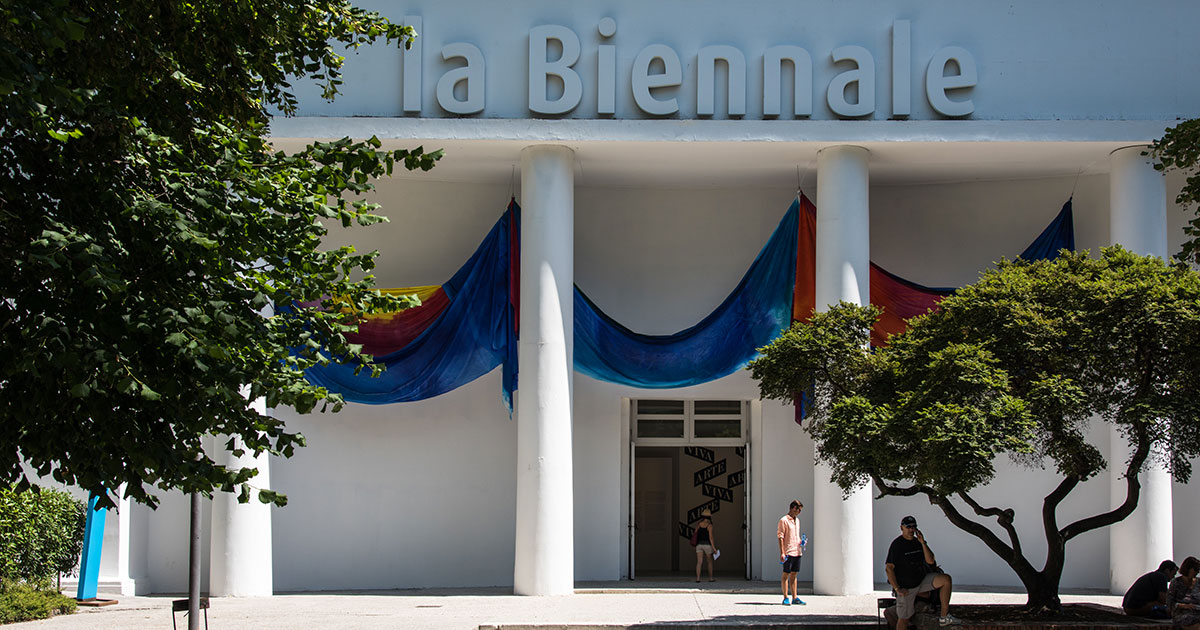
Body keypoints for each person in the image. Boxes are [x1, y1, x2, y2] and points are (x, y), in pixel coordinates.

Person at [885, 515, 957, 628]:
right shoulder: (897, 544)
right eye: (908, 527)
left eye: (913, 527)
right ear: (901, 528)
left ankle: (944, 616)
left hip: (921, 580)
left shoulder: (917, 542)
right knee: (903, 618)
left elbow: (930, 560)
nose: (911, 529)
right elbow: (889, 568)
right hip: (907, 587)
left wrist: (923, 543)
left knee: (945, 579)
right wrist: (897, 588)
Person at [777, 500, 806, 606]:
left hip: (797, 551)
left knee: (794, 574)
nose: (799, 512)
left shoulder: (797, 521)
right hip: (788, 551)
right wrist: (782, 552)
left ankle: (795, 597)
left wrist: (801, 542)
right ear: (794, 508)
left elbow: (796, 535)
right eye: (799, 510)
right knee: (786, 574)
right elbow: (780, 537)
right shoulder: (783, 520)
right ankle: (785, 597)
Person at [1168, 556, 1200, 630]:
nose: (1197, 572)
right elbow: (1169, 602)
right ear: (1188, 569)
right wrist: (1184, 606)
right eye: (1195, 569)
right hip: (1183, 613)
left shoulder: (1198, 582)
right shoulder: (1176, 583)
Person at [694, 509, 718, 582]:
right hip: (707, 545)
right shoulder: (709, 525)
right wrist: (714, 548)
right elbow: (711, 537)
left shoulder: (699, 524)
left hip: (699, 545)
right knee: (709, 562)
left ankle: (698, 578)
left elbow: (695, 533)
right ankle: (710, 578)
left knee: (699, 562)